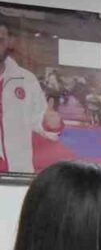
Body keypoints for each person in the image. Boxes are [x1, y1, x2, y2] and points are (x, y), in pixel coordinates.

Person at [0, 20, 62, 175]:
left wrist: (49, 123)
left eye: (0, 40)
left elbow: (38, 118)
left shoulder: (27, 79)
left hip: (17, 171)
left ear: (9, 42)